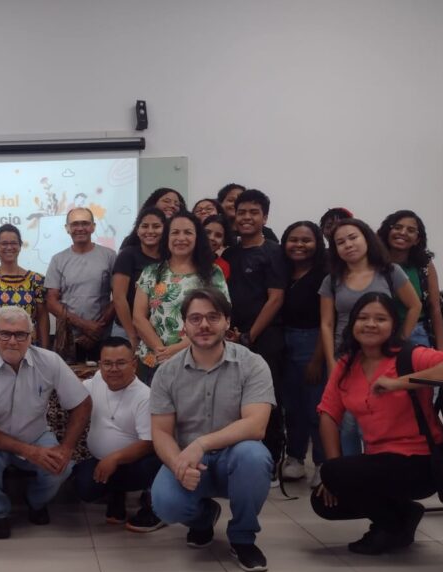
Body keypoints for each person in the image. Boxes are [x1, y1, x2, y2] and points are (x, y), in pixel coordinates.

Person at [313, 292, 443, 554]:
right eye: (363, 318)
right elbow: (328, 414)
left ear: (394, 325)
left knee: (337, 475)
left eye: (380, 318)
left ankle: (390, 526)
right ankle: (404, 514)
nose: (371, 324)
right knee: (324, 500)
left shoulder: (408, 356)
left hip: (420, 462)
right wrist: (332, 469)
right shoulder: (347, 363)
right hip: (380, 459)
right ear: (352, 324)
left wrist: (399, 383)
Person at [149, 288, 275, 572]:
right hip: (192, 462)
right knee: (164, 503)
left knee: (254, 456)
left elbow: (256, 425)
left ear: (227, 322)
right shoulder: (167, 373)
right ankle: (203, 519)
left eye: (212, 317)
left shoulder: (252, 364)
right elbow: (161, 432)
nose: (203, 325)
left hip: (235, 458)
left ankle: (242, 537)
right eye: (195, 318)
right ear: (184, 326)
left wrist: (202, 443)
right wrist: (177, 463)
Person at [0, 306, 92, 539]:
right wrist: (29, 452)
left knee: (62, 466)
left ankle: (36, 502)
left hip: (36, 434)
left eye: (20, 334)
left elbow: (82, 403)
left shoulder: (50, 361)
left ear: (32, 336)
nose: (12, 341)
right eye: (4, 334)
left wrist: (66, 447)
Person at [319, 217, 421, 455]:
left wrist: (400, 340)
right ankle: (351, 476)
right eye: (340, 242)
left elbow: (414, 305)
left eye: (353, 237)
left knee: (378, 419)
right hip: (345, 356)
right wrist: (331, 362)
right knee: (346, 424)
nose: (348, 245)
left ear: (367, 238)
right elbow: (326, 323)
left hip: (381, 357)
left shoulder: (389, 272)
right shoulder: (331, 280)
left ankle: (377, 474)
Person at [221, 189, 287, 473]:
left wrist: (250, 336)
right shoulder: (230, 252)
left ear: (265, 217)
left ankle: (270, 460)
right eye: (242, 212)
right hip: (232, 337)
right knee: (235, 399)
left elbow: (276, 298)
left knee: (266, 400)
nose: (246, 217)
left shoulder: (274, 251)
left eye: (254, 212)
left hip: (265, 338)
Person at [72, 337, 164, 531]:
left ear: (133, 364)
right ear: (100, 365)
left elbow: (149, 442)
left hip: (134, 462)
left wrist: (115, 458)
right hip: (99, 458)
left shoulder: (144, 396)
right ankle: (116, 493)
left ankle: (152, 503)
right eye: (107, 363)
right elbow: (73, 389)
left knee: (152, 464)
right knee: (84, 488)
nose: (113, 369)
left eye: (121, 363)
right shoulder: (97, 379)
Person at [134, 212, 229, 385]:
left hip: (198, 358)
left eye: (188, 232)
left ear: (197, 238)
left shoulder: (212, 273)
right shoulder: (151, 272)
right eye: (175, 232)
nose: (181, 238)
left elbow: (221, 316)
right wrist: (161, 351)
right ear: (167, 237)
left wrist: (177, 350)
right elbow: (138, 317)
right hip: (153, 360)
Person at [278, 221, 328, 487]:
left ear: (317, 244)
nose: (299, 245)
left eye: (306, 240)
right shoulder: (282, 271)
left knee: (315, 407)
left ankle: (322, 463)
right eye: (293, 239)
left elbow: (326, 321)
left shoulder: (324, 275)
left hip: (312, 343)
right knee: (292, 408)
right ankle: (295, 459)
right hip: (284, 343)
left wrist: (317, 358)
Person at [45, 207, 117, 362]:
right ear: (67, 229)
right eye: (75, 224)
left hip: (102, 337)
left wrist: (96, 330)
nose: (80, 228)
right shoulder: (58, 259)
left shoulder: (109, 256)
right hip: (69, 340)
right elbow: (51, 302)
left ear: (93, 227)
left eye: (85, 223)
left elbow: (119, 297)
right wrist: (85, 326)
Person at [0, 224, 48, 350]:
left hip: (29, 347)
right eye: (4, 243)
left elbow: (42, 316)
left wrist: (45, 350)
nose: (9, 247)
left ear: (20, 246)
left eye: (13, 243)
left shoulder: (36, 280)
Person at [378, 210, 443, 349]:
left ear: (417, 239)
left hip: (416, 333)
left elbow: (435, 307)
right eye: (397, 227)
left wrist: (441, 348)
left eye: (411, 230)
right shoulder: (373, 263)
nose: (402, 233)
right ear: (387, 232)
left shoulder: (424, 265)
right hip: (378, 332)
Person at [111, 208, 164, 349]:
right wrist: (132, 334)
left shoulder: (169, 257)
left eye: (156, 226)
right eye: (145, 226)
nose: (150, 231)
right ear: (137, 230)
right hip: (126, 330)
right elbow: (118, 297)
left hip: (158, 332)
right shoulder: (127, 255)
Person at [201, 214, 232, 279]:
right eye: (207, 232)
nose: (211, 238)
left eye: (218, 235)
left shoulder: (223, 267)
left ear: (223, 241)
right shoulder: (186, 257)